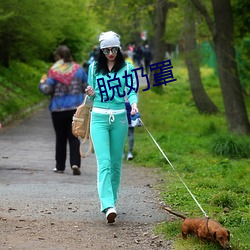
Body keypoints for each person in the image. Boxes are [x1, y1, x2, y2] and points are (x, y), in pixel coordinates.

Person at [85, 31, 139, 223]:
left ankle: (112, 201)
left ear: (118, 48)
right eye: (106, 50)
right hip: (98, 118)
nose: (110, 53)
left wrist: (133, 104)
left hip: (120, 119)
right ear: (101, 50)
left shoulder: (128, 68)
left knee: (116, 164)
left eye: (114, 49)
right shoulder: (94, 68)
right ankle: (107, 205)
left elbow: (132, 91)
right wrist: (90, 92)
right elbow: (91, 96)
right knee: (104, 163)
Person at [39, 45, 88, 175]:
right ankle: (75, 163)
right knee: (74, 137)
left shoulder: (54, 71)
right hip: (75, 109)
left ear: (58, 57)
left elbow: (47, 90)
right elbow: (86, 87)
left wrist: (42, 83)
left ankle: (60, 166)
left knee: (60, 138)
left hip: (58, 109)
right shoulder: (79, 69)